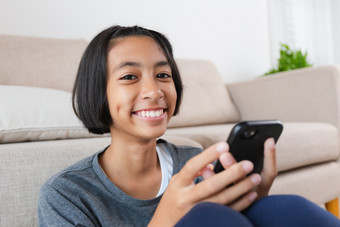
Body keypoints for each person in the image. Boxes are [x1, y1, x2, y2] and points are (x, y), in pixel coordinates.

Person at [38, 25, 340, 227]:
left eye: (163, 75)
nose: (154, 91)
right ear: (97, 92)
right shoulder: (67, 194)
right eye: (129, 77)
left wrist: (251, 200)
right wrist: (165, 217)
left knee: (282, 209)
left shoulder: (192, 161)